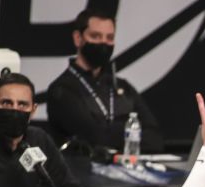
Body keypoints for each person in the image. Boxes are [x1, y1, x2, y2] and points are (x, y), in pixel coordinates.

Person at [0, 70, 118, 187]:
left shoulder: (38, 140)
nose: (14, 110)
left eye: (22, 105)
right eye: (6, 103)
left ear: (33, 110)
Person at [46, 8, 164, 152]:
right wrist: (128, 130)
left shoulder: (123, 87)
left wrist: (108, 131)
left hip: (125, 170)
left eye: (109, 38)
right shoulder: (61, 90)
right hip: (80, 172)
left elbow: (155, 139)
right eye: (95, 36)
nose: (103, 43)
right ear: (78, 38)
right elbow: (94, 137)